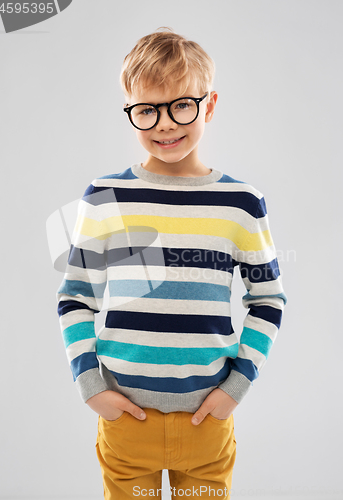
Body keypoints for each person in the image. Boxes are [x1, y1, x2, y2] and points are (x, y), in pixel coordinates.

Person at [56, 27, 287, 500]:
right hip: (124, 420)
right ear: (131, 112)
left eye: (181, 104)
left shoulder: (241, 203)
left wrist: (236, 388)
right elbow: (75, 297)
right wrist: (89, 384)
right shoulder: (105, 197)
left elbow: (267, 300)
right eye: (146, 110)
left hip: (207, 419)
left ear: (211, 103)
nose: (164, 124)